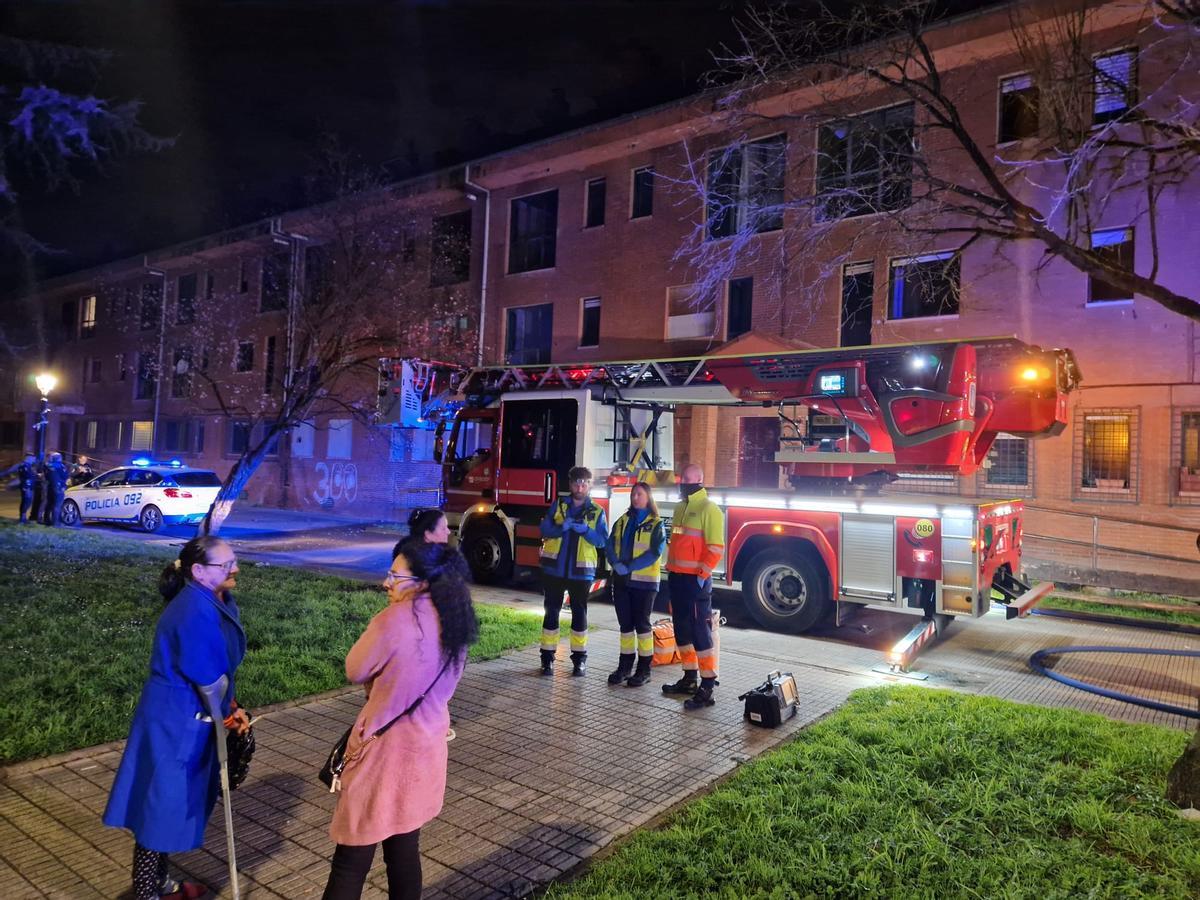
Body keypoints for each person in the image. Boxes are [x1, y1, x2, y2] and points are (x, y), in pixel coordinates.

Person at [322, 540, 477, 900]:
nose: (386, 582)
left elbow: (354, 667)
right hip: (425, 751)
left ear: (421, 580)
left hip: (382, 757)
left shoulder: (394, 620)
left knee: (352, 856)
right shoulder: (456, 620)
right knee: (404, 849)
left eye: (395, 575)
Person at [102, 536, 250, 900]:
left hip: (183, 713)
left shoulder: (210, 599)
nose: (236, 568)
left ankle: (158, 883)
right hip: (176, 719)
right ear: (198, 572)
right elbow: (207, 675)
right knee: (159, 806)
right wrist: (228, 713)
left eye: (234, 560)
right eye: (226, 564)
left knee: (161, 804)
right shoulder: (193, 612)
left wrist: (229, 707)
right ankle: (148, 891)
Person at [662, 463, 725, 710]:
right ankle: (689, 678)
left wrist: (702, 574)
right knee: (682, 631)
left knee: (700, 632)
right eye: (682, 479)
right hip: (678, 579)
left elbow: (716, 547)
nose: (684, 483)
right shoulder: (680, 508)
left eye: (688, 479)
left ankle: (707, 685)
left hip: (695, 582)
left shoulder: (709, 509)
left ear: (700, 480)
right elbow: (678, 542)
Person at [538, 466, 608, 677]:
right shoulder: (559, 505)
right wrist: (563, 527)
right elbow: (544, 530)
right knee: (551, 612)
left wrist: (586, 530)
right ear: (570, 484)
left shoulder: (597, 511)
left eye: (584, 483)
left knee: (580, 614)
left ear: (589, 485)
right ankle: (547, 659)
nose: (580, 486)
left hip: (581, 572)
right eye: (577, 483)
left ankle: (579, 661)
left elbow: (602, 540)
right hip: (555, 569)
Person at [604, 482, 666, 687]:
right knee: (625, 626)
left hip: (645, 584)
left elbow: (655, 552)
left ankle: (644, 669)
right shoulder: (623, 520)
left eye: (639, 494)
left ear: (648, 497)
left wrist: (628, 567)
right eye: (633, 494)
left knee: (642, 625)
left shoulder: (656, 523)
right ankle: (625, 666)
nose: (635, 497)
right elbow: (610, 544)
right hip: (622, 581)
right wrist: (615, 563)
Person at [0, 454, 39, 523]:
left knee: (27, 502)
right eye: (33, 459)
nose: (34, 460)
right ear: (29, 458)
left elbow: (31, 475)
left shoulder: (30, 466)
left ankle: (23, 518)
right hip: (26, 487)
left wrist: (36, 475)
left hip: (30, 486)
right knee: (26, 501)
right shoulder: (21, 465)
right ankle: (22, 518)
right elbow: (8, 471)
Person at [42, 451, 69, 526]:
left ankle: (46, 520)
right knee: (57, 505)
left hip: (50, 486)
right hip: (59, 487)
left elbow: (46, 475)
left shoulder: (47, 465)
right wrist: (71, 470)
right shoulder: (61, 466)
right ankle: (55, 522)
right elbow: (65, 476)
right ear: (59, 458)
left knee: (49, 504)